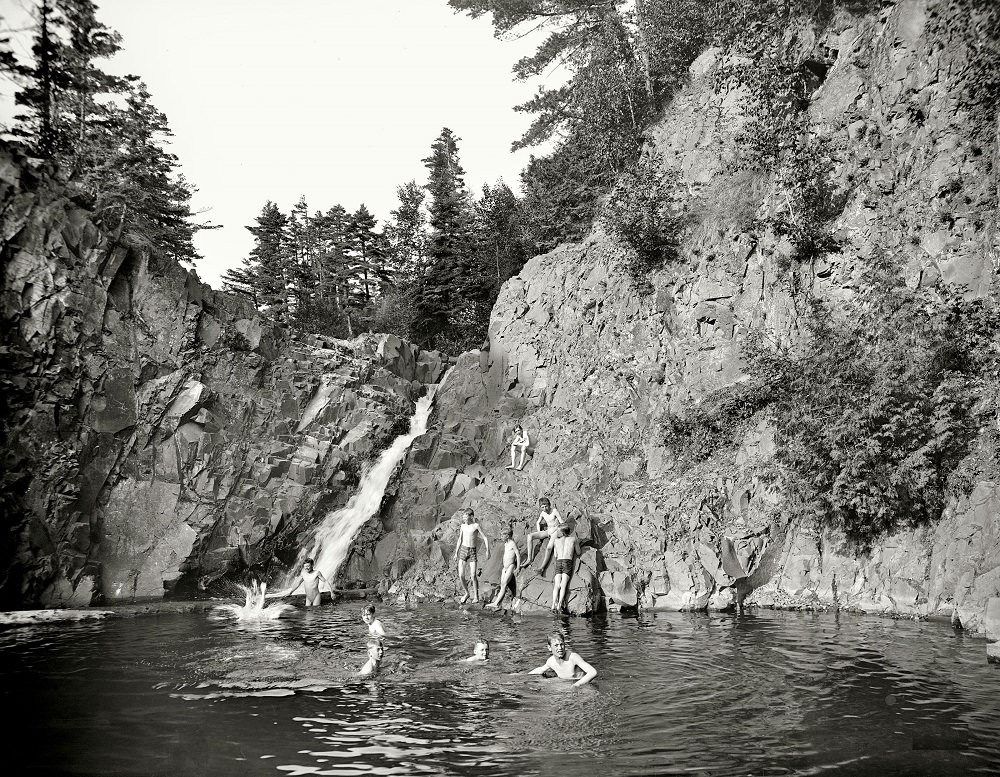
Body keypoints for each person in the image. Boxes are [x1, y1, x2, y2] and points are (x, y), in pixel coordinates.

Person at [528, 632, 597, 687]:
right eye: (556, 645)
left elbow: (593, 672)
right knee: (537, 683)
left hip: (584, 684)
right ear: (549, 648)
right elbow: (541, 670)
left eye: (561, 644)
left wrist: (577, 684)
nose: (560, 648)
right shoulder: (551, 661)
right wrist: (524, 676)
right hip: (566, 683)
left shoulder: (573, 657)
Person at [539, 523, 580, 613]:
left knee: (557, 584)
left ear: (561, 532)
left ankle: (553, 603)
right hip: (567, 562)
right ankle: (560, 604)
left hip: (559, 562)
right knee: (563, 584)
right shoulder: (573, 539)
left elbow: (556, 555)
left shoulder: (556, 541)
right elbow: (578, 552)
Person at [454, 508, 490, 604]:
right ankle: (467, 593)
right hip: (463, 550)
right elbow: (459, 540)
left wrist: (488, 550)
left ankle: (476, 597)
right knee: (461, 575)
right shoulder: (462, 526)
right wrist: (456, 552)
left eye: (466, 516)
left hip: (472, 551)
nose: (464, 518)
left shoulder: (476, 526)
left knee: (473, 575)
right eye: (463, 516)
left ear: (471, 516)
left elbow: (485, 538)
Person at [522, 497, 564, 567]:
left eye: (546, 506)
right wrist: (539, 531)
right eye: (542, 507)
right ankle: (529, 559)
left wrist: (560, 530)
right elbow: (538, 522)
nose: (545, 509)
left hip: (555, 531)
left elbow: (561, 521)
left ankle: (542, 567)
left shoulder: (554, 511)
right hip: (547, 531)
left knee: (549, 547)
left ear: (549, 505)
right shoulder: (542, 513)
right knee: (529, 536)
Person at [487, 527, 521, 610]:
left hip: (510, 566)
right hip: (504, 568)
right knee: (502, 584)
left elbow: (518, 555)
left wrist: (518, 567)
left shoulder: (512, 543)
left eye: (502, 535)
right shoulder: (506, 544)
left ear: (508, 536)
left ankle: (496, 603)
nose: (501, 537)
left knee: (504, 583)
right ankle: (498, 603)